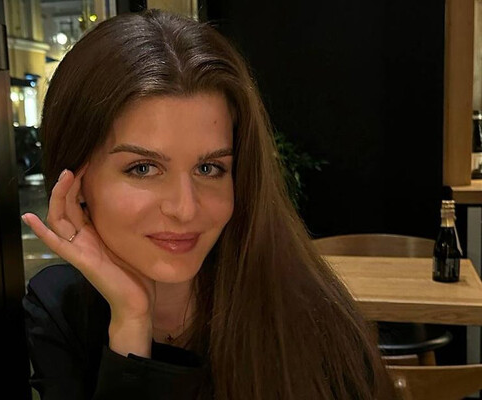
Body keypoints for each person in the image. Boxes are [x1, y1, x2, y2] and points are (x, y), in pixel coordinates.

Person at [21, 9, 397, 400]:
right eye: (143, 168)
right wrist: (131, 322)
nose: (185, 209)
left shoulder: (305, 311)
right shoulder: (59, 307)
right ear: (76, 183)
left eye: (209, 168)